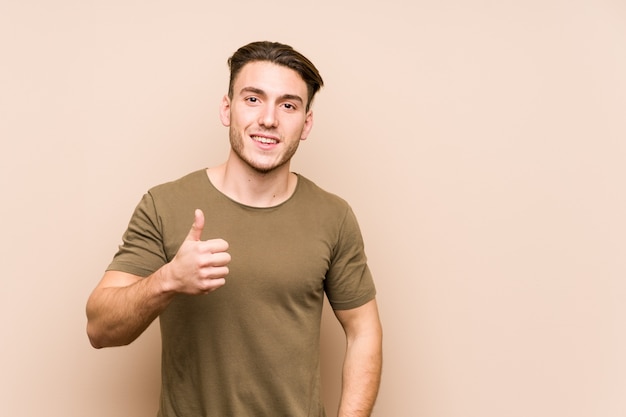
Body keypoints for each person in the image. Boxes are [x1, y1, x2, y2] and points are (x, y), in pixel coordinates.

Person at [86, 40, 382, 417]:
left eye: (288, 105)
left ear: (306, 123)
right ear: (227, 109)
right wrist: (168, 280)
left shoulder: (334, 216)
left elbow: (364, 331)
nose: (269, 119)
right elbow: (99, 329)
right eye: (253, 99)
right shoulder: (164, 205)